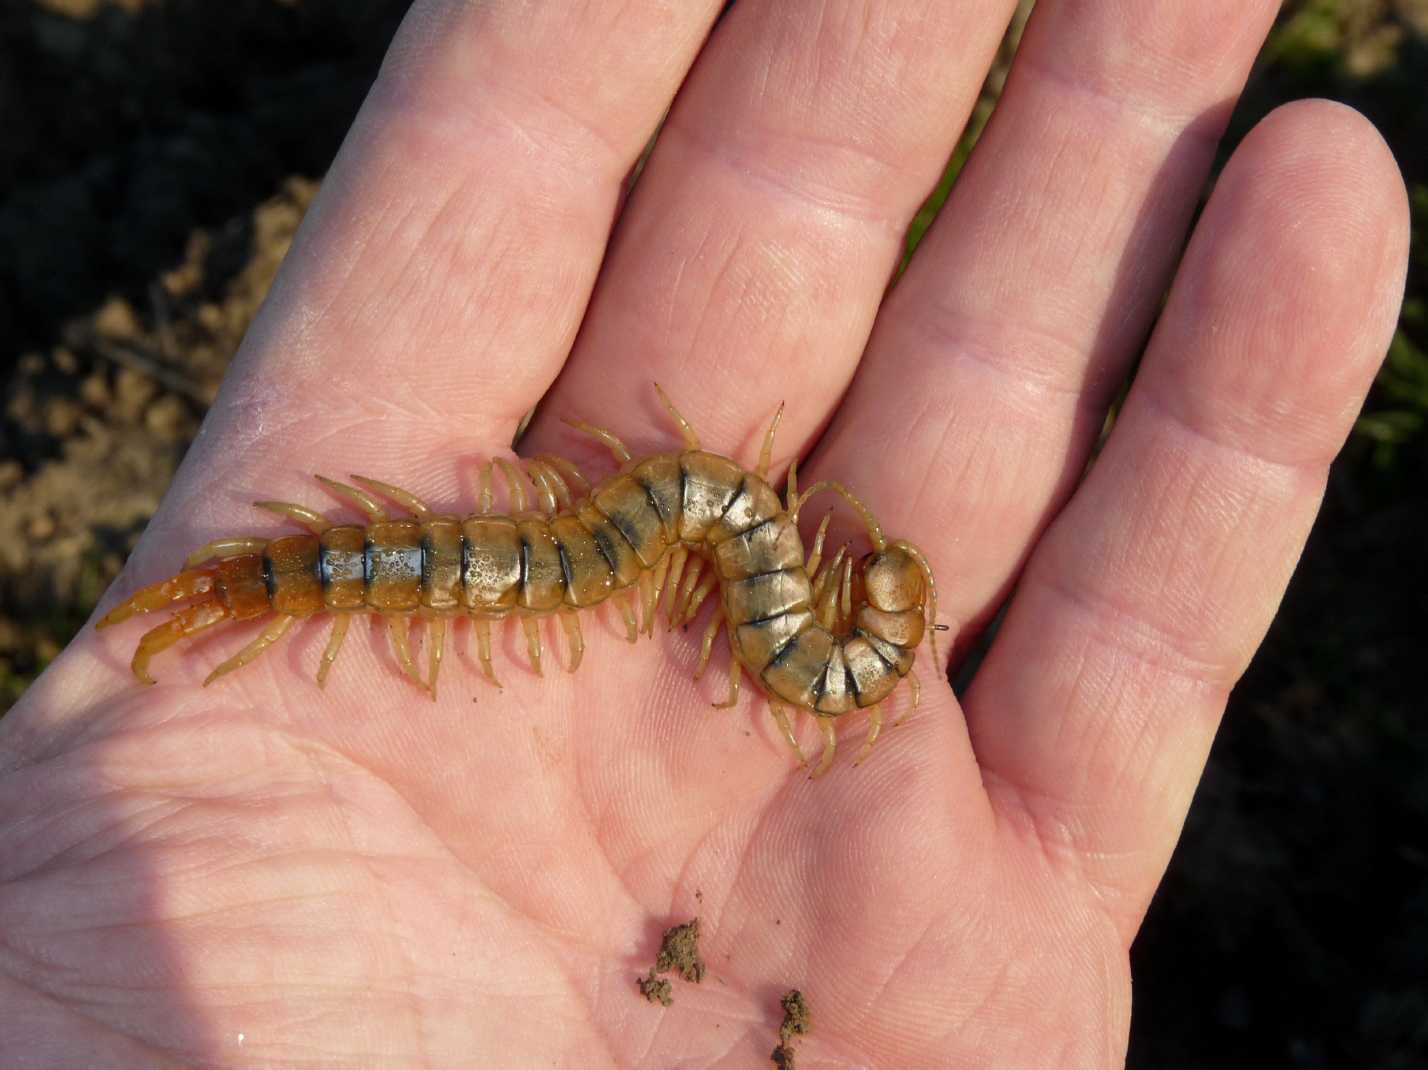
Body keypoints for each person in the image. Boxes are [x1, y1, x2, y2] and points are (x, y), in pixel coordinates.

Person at [0, 1, 1408, 1065]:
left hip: (568, 558)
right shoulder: (737, 552)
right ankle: (250, 588)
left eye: (868, 589)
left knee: (448, 576)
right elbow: (685, 527)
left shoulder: (796, 636)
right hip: (558, 548)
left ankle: (246, 590)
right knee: (441, 568)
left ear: (846, 617)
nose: (859, 572)